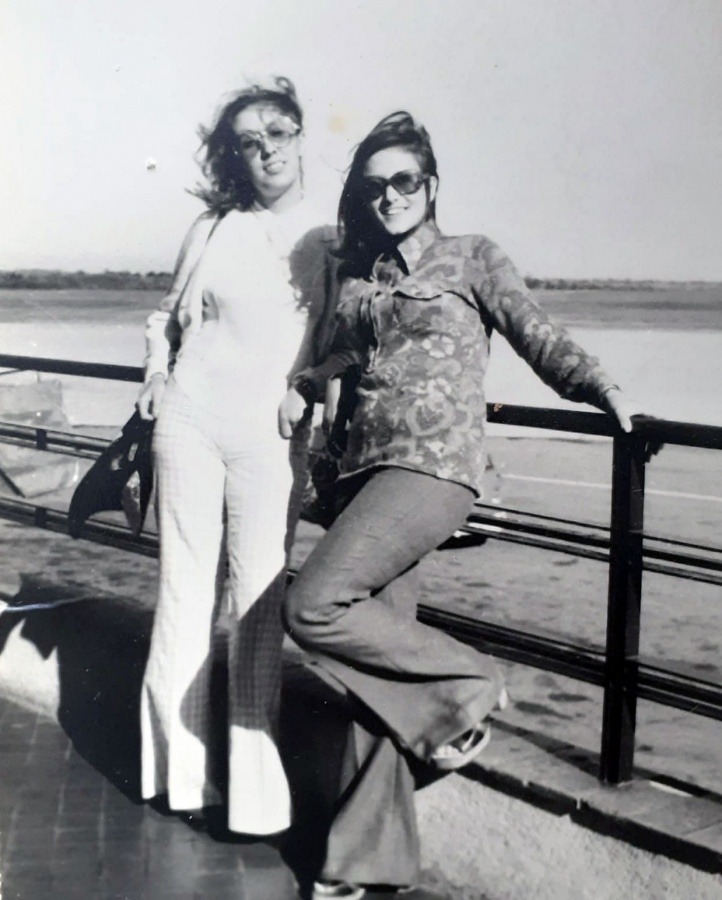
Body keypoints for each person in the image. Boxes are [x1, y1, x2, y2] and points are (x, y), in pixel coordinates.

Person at [280, 111, 647, 898]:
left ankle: (470, 683)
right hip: (362, 476)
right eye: (374, 187)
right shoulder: (366, 277)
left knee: (311, 604)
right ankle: (363, 864)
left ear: (432, 185)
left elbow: (533, 331)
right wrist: (304, 383)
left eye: (404, 181)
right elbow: (346, 354)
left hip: (435, 468)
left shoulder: (471, 255)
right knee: (376, 672)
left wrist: (601, 387)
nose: (389, 196)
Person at [136, 76, 341, 837]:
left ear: (300, 136)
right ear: (236, 156)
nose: (268, 152)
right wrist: (155, 374)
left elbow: (344, 339)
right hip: (189, 419)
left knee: (256, 606)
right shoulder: (214, 226)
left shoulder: (332, 237)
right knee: (183, 597)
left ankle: (255, 803)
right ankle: (178, 778)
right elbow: (164, 317)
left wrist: (311, 385)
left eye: (278, 134)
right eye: (250, 142)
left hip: (272, 434)